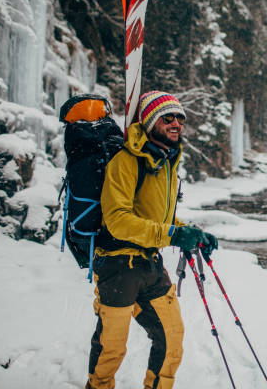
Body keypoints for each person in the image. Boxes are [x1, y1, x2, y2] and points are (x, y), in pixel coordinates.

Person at [86, 91, 218, 389]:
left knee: (172, 340)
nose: (176, 123)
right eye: (167, 117)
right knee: (111, 350)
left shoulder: (167, 163)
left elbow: (163, 220)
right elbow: (117, 219)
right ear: (149, 121)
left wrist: (192, 234)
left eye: (180, 118)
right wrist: (172, 234)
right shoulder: (126, 161)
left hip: (149, 265)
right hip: (117, 266)